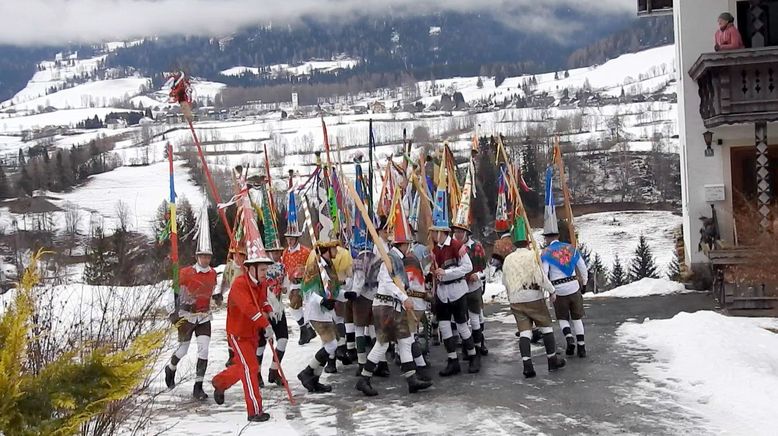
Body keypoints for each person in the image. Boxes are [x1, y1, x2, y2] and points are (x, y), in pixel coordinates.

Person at [356, 205, 433, 396]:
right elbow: (388, 283)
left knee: (405, 341)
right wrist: (404, 297)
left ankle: (412, 379)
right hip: (385, 306)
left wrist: (403, 298)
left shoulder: (397, 259)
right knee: (382, 344)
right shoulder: (389, 259)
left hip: (394, 306)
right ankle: (364, 380)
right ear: (403, 244)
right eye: (408, 243)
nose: (410, 247)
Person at [211, 237, 276, 422]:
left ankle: (220, 382)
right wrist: (265, 324)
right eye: (262, 269)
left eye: (266, 269)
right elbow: (249, 309)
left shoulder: (262, 283)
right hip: (238, 333)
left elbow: (262, 301)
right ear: (251, 268)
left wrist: (269, 312)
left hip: (252, 333)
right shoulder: (239, 284)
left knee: (246, 366)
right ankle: (254, 410)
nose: (265, 273)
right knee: (250, 369)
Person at [165, 205, 220, 401]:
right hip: (187, 316)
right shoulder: (186, 272)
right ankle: (170, 368)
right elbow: (172, 291)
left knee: (204, 349)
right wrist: (173, 311)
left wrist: (217, 297)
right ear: (197, 257)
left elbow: (213, 290)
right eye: (202, 256)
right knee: (183, 349)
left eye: (208, 256)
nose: (205, 259)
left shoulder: (213, 273)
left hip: (204, 316)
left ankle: (198, 386)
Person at [502, 233, 566, 378]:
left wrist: (511, 296)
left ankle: (527, 366)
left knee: (525, 332)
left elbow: (504, 280)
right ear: (528, 243)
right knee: (546, 327)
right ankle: (552, 360)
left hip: (516, 298)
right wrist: (552, 290)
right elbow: (540, 277)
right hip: (533, 296)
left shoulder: (508, 259)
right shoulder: (532, 256)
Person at [296, 238, 342, 393]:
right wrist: (322, 301)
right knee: (332, 346)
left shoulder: (329, 266)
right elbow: (308, 291)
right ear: (326, 250)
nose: (337, 250)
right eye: (334, 248)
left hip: (326, 312)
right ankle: (307, 372)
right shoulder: (315, 265)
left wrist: (346, 295)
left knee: (327, 346)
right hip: (317, 312)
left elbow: (332, 289)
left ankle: (314, 380)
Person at [542, 229, 589, 358]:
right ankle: (581, 347)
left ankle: (569, 338)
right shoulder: (570, 248)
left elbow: (544, 273)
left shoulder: (546, 253)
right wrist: (584, 283)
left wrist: (548, 290)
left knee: (563, 318)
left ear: (547, 238)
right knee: (577, 318)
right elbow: (582, 267)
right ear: (557, 235)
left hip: (558, 289)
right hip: (573, 286)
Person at [452, 224, 487, 359]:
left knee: (475, 318)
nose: (458, 234)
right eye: (456, 232)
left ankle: (479, 344)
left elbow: (484, 269)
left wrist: (477, 275)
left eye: (461, 232)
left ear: (467, 233)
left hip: (473, 287)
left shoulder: (476, 247)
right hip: (458, 288)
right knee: (461, 320)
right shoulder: (453, 246)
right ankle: (468, 346)